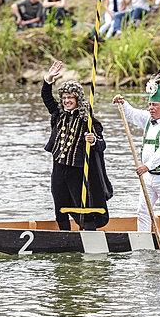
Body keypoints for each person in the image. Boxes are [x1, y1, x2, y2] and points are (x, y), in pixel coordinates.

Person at [41, 60, 112, 231]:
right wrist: (48, 78)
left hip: (78, 171)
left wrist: (93, 140)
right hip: (58, 167)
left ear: (77, 99)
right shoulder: (58, 113)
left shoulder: (88, 120)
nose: (66, 101)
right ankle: (64, 235)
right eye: (64, 98)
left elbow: (102, 146)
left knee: (83, 206)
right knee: (59, 203)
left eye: (70, 98)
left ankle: (88, 234)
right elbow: (46, 97)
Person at [113, 71, 160, 233]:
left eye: (155, 105)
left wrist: (146, 165)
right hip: (148, 176)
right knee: (143, 212)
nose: (151, 108)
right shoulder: (147, 118)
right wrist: (122, 103)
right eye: (149, 105)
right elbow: (131, 114)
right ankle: (143, 243)